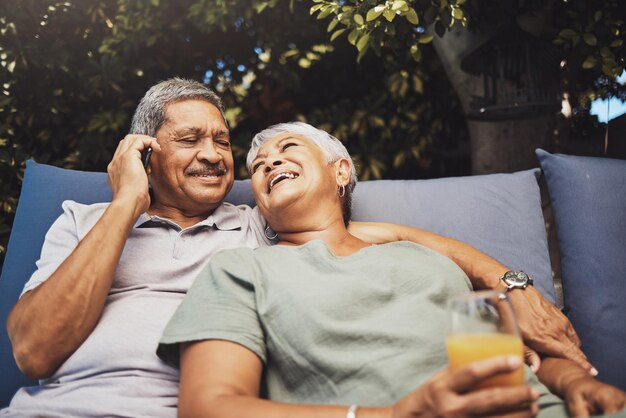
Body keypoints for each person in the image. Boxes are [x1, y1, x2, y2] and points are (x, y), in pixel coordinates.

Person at [2, 79, 587, 417]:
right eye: (189, 139)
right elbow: (34, 350)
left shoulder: (259, 224)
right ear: (144, 153)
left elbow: (380, 242)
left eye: (223, 141)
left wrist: (516, 286)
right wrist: (127, 203)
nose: (215, 154)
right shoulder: (85, 219)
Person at [158, 122, 626, 418]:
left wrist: (577, 383)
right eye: (258, 166)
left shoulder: (426, 257)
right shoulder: (240, 270)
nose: (270, 161)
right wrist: (400, 413)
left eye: (287, 148)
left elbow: (520, 362)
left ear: (341, 172)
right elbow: (208, 408)